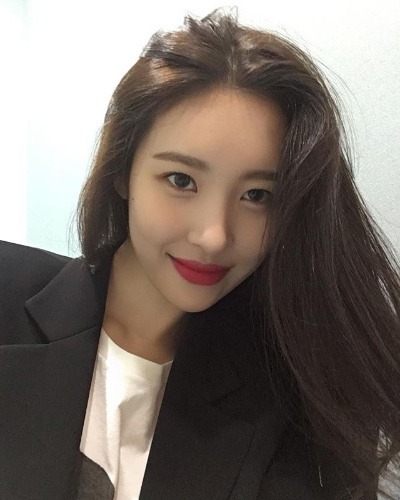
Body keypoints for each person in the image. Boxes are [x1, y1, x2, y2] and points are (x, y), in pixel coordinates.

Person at [0, 7, 399, 500]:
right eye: (181, 180)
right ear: (122, 171)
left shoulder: (295, 404)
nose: (214, 236)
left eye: (257, 195)